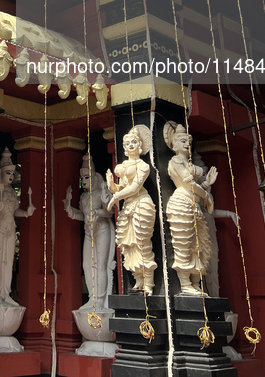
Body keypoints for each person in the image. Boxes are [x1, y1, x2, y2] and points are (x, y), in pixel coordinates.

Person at [163, 121, 217, 295]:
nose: (187, 144)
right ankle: (185, 284)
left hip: (194, 206)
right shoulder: (176, 162)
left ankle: (195, 283)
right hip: (181, 205)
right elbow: (190, 185)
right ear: (174, 144)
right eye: (182, 141)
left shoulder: (191, 165)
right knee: (183, 244)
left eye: (188, 141)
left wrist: (207, 184)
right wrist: (205, 195)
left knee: (198, 245)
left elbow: (197, 185)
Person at [106, 125, 157, 295]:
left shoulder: (143, 166)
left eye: (134, 141)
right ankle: (138, 280)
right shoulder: (124, 165)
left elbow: (135, 188)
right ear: (124, 147)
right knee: (128, 245)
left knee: (142, 243)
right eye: (127, 142)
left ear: (140, 145)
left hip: (141, 204)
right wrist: (112, 186)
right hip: (128, 207)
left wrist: (116, 197)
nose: (131, 145)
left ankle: (149, 283)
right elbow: (122, 188)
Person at [0, 147, 35, 306]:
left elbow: (14, 211)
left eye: (13, 174)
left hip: (10, 228)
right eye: (8, 173)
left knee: (8, 261)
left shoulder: (13, 192)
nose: (11, 176)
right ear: (0, 173)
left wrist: (26, 212)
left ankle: (6, 293)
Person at [64, 154, 115, 310]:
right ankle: (92, 298)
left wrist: (97, 212)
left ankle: (100, 301)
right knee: (87, 265)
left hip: (102, 229)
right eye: (82, 178)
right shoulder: (84, 196)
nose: (83, 180)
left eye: (87, 177)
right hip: (89, 232)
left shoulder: (101, 193)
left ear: (94, 177)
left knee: (100, 265)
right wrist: (71, 211)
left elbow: (110, 213)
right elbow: (82, 215)